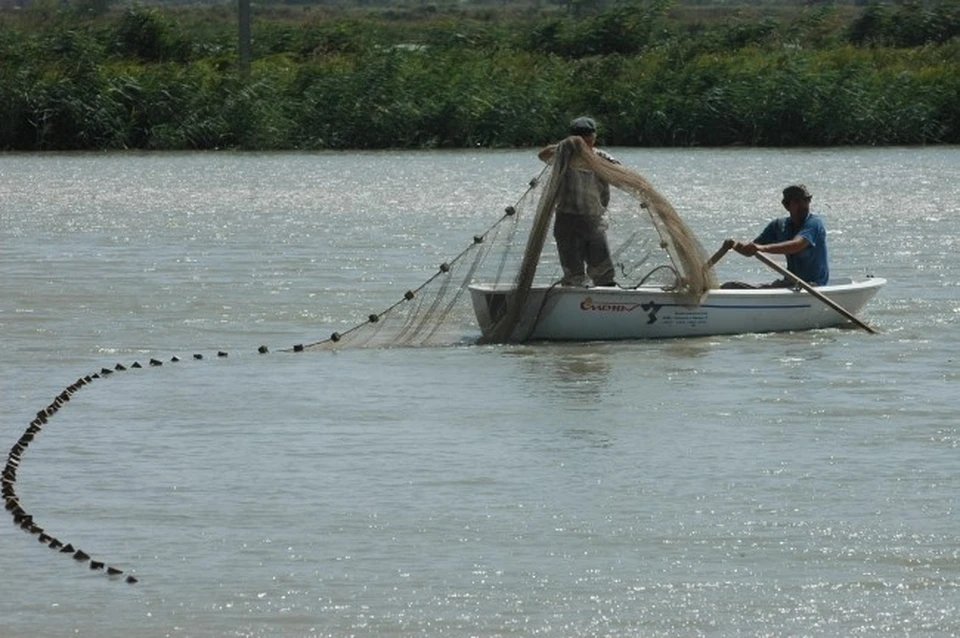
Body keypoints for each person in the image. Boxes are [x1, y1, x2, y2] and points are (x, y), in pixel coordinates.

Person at [537, 116, 619, 287]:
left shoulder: (601, 157)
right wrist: (564, 145)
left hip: (593, 220)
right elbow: (542, 155)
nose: (586, 142)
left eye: (588, 137)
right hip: (568, 220)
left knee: (603, 272)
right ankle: (575, 297)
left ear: (594, 137)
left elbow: (620, 171)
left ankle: (605, 299)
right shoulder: (562, 155)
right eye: (580, 138)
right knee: (573, 273)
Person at [733, 184, 829, 287]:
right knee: (731, 286)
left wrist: (762, 248)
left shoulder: (814, 223)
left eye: (806, 200)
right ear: (787, 205)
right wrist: (734, 245)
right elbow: (751, 250)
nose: (803, 205)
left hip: (814, 286)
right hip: (791, 284)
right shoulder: (779, 226)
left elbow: (797, 245)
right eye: (797, 201)